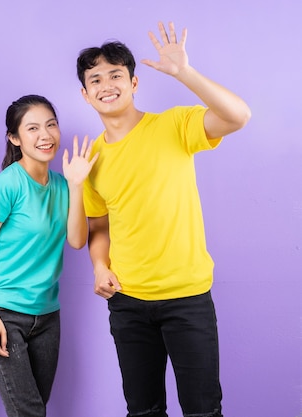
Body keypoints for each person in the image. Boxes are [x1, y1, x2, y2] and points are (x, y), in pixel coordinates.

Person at [76, 22, 251, 417]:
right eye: (96, 79)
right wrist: (99, 265)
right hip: (127, 302)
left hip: (187, 297)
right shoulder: (93, 160)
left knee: (203, 410)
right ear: (85, 95)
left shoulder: (173, 125)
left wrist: (184, 73)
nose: (107, 84)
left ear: (134, 83)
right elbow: (98, 225)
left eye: (116, 74)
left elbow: (238, 116)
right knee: (142, 411)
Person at [0, 95, 97, 417]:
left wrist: (78, 185)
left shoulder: (63, 185)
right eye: (33, 128)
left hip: (47, 315)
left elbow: (77, 240)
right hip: (5, 312)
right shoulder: (7, 184)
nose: (45, 135)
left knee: (35, 408)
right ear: (15, 138)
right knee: (28, 412)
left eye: (51, 125)